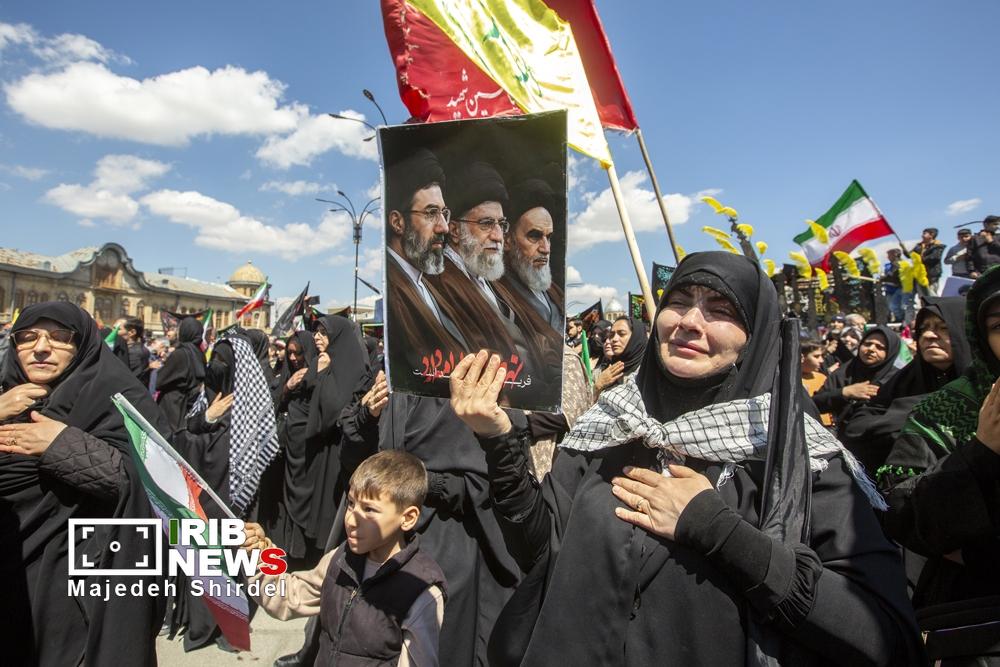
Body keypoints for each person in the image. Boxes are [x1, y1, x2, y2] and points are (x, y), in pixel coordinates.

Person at [448, 252, 922, 665]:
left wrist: (715, 528)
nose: (690, 321)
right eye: (678, 302)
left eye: (721, 309)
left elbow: (883, 636)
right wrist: (498, 438)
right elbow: (539, 551)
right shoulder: (610, 425)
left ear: (754, 338)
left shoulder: (796, 458)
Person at [0, 302, 167, 666]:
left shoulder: (115, 396)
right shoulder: (4, 395)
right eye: (27, 337)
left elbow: (153, 484)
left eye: (59, 337)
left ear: (82, 345)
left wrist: (62, 445)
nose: (41, 347)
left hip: (73, 591)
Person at [879, 267, 1000, 664]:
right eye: (999, 326)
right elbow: (899, 511)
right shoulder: (947, 409)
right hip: (978, 624)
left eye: (942, 328)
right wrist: (980, 452)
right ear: (981, 337)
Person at [246, 451, 447, 667]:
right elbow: (286, 598)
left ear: (407, 518)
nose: (351, 520)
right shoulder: (340, 559)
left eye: (369, 509)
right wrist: (257, 554)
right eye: (351, 503)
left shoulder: (421, 590)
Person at [427, 161, 554, 408]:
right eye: (486, 224)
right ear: (455, 230)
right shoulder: (442, 284)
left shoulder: (488, 275)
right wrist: (546, 397)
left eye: (501, 224)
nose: (497, 236)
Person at [842, 298, 970, 474]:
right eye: (923, 328)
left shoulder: (985, 385)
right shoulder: (906, 378)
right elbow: (857, 426)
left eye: (943, 328)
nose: (928, 335)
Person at [384, 148, 467, 397]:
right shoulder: (393, 290)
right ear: (398, 222)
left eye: (444, 213)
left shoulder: (423, 281)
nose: (443, 227)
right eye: (431, 213)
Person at [812, 326, 901, 437]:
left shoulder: (896, 378)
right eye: (867, 344)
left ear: (890, 352)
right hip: (844, 439)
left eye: (880, 347)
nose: (871, 349)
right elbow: (815, 404)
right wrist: (845, 392)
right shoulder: (845, 372)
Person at [154, 316, 206, 432]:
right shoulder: (199, 353)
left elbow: (159, 381)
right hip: (188, 404)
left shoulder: (180, 353)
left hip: (172, 404)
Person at [593, 317, 647, 395]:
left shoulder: (647, 371)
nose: (614, 339)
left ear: (635, 337)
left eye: (621, 334)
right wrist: (598, 386)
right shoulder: (607, 371)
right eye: (611, 335)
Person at [800, 339, 832, 427]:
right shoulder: (794, 381)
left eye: (822, 356)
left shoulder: (822, 377)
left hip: (828, 426)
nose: (821, 360)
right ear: (802, 357)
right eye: (816, 356)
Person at [913, 227, 945, 294]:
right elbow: (911, 255)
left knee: (931, 294)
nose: (922, 235)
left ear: (931, 235)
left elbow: (935, 258)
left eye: (924, 233)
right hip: (920, 274)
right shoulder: (919, 246)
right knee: (922, 296)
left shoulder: (938, 246)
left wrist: (921, 259)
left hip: (932, 275)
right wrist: (904, 250)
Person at [883, 249, 906, 322]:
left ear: (895, 255)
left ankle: (901, 319)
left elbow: (893, 275)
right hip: (890, 289)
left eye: (889, 255)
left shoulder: (900, 264)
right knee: (892, 306)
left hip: (900, 288)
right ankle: (899, 319)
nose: (888, 257)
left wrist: (884, 278)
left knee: (897, 305)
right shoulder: (889, 265)